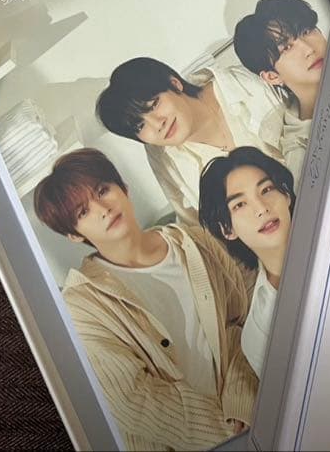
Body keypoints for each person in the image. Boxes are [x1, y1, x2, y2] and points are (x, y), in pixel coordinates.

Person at [33, 149, 258, 450]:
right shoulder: (81, 305)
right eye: (82, 212)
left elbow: (241, 322)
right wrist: (224, 435)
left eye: (102, 191)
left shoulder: (195, 241)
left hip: (252, 417)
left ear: (124, 188)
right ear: (73, 234)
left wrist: (241, 405)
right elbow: (133, 398)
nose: (103, 209)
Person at [96, 57, 284, 224]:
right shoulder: (161, 156)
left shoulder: (238, 85)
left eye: (154, 105)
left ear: (175, 84)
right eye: (140, 126)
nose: (157, 124)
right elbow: (195, 223)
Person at [199, 147, 296, 378]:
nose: (262, 208)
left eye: (266, 189)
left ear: (286, 194)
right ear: (227, 229)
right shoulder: (259, 333)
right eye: (239, 205)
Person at [233, 0, 329, 180]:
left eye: (306, 31)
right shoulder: (301, 155)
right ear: (272, 77)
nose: (309, 49)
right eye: (286, 47)